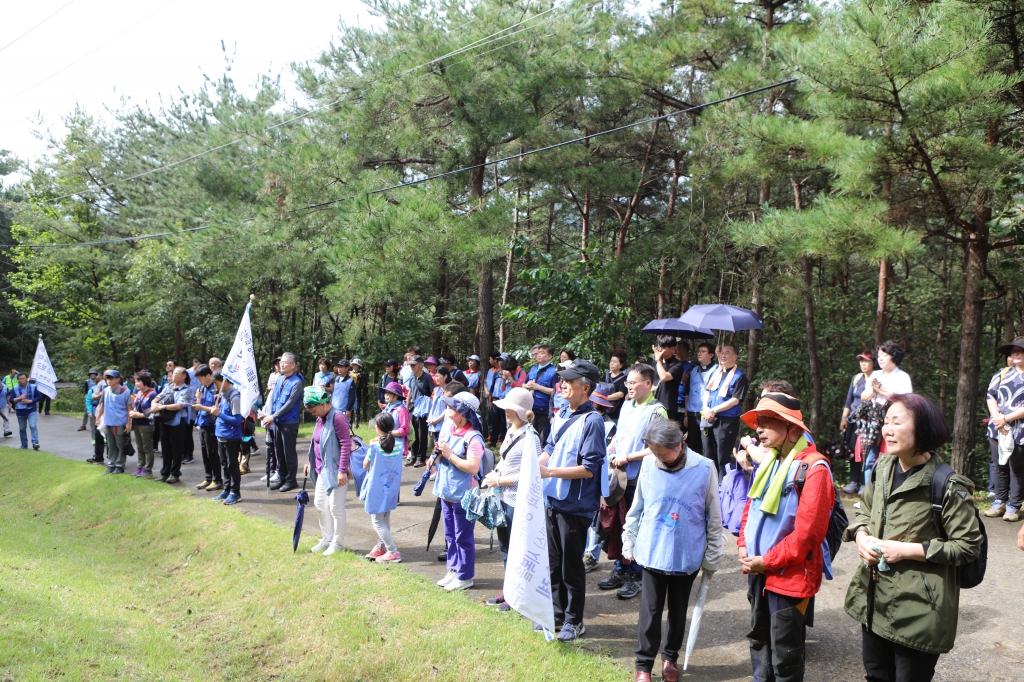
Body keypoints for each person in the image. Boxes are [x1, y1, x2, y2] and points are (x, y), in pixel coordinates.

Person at [844, 394, 984, 682]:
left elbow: (968, 546)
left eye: (897, 422)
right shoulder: (883, 467)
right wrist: (860, 536)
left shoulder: (946, 484)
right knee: (876, 676)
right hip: (875, 600)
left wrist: (906, 550)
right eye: (885, 422)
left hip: (919, 611)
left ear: (923, 429)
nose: (888, 429)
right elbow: (866, 511)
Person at [737, 390, 835, 682]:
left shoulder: (814, 469)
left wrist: (766, 561)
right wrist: (743, 545)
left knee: (785, 657)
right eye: (758, 421)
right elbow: (750, 508)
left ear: (792, 427)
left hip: (789, 578)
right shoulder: (770, 461)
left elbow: (807, 536)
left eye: (768, 421)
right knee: (759, 644)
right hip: (758, 571)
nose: (759, 428)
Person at [623, 416, 722, 682]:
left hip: (686, 553)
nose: (657, 457)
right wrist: (629, 539)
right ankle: (643, 665)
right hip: (653, 550)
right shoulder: (647, 464)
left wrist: (712, 559)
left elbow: (714, 517)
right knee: (650, 611)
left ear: (679, 445)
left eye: (661, 453)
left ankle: (670, 658)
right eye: (653, 452)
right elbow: (637, 508)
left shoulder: (704, 468)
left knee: (678, 611)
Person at [538, 359, 608, 642]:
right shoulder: (562, 412)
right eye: (562, 379)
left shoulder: (593, 421)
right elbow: (551, 447)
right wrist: (536, 465)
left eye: (569, 380)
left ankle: (574, 621)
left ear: (586, 387)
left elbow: (590, 468)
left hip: (575, 506)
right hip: (553, 500)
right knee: (553, 563)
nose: (563, 384)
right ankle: (556, 614)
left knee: (571, 567)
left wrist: (548, 471)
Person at [603, 363, 669, 599]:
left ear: (648, 384)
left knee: (636, 526)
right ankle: (621, 569)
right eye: (627, 382)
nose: (628, 386)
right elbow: (620, 436)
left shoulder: (657, 411)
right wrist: (609, 449)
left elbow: (658, 448)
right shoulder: (627, 405)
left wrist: (628, 457)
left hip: (640, 479)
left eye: (633, 382)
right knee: (617, 526)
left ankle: (637, 576)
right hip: (619, 476)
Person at [482, 387, 540, 609]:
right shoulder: (511, 430)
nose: (506, 411)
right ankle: (509, 591)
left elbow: (530, 473)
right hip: (504, 498)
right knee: (505, 547)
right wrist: (497, 473)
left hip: (519, 502)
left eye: (510, 407)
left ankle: (520, 595)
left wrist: (500, 481)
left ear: (521, 410)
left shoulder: (531, 437)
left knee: (519, 551)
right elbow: (506, 461)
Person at [433, 391, 486, 592]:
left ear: (463, 413)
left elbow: (472, 467)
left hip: (463, 495)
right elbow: (442, 459)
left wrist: (450, 455)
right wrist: (436, 456)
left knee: (463, 536)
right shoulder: (450, 431)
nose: (447, 410)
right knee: (450, 535)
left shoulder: (473, 437)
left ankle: (465, 576)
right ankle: (453, 569)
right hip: (446, 491)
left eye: (452, 407)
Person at [301, 386, 352, 553]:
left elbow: (345, 445)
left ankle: (338, 543)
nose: (312, 413)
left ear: (323, 404)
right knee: (320, 504)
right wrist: (310, 462)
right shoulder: (320, 418)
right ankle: (327, 538)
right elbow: (317, 443)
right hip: (322, 469)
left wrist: (342, 470)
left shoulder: (338, 418)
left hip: (336, 471)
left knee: (336, 508)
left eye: (313, 409)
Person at [860, 340, 913, 486]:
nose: (880, 358)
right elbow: (864, 396)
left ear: (894, 357)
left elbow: (906, 400)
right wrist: (873, 389)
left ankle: (888, 492)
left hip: (894, 422)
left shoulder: (903, 377)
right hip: (873, 420)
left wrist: (880, 391)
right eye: (879, 355)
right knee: (870, 458)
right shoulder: (876, 374)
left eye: (884, 355)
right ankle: (868, 496)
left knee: (891, 457)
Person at [983, 337, 1024, 522]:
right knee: (999, 467)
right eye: (1012, 351)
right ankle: (999, 501)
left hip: (1019, 429)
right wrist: (997, 417)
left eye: (1019, 350)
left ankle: (1014, 506)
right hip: (998, 427)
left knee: (1017, 468)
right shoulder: (1003, 373)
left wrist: (1006, 418)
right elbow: (991, 395)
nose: (1014, 354)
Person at [361, 411, 404, 563]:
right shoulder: (399, 445)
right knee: (385, 519)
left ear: (378, 427)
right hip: (391, 488)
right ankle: (381, 546)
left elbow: (365, 465)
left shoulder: (374, 445)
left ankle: (392, 551)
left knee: (377, 522)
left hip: (377, 489)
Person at [701, 344, 748, 475]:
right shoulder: (716, 373)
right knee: (708, 455)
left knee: (722, 457)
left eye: (727, 353)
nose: (723, 355)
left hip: (726, 421)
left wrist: (714, 410)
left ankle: (724, 488)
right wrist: (706, 409)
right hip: (708, 418)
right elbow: (707, 392)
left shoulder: (740, 377)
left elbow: (735, 400)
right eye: (722, 353)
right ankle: (710, 487)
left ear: (735, 357)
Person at [262, 352, 303, 493]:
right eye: (281, 362)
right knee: (279, 451)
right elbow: (274, 399)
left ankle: (291, 480)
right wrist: (268, 415)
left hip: (289, 423)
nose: (281, 364)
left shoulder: (296, 382)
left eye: (285, 362)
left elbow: (289, 404)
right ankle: (282, 478)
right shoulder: (279, 379)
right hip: (277, 421)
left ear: (293, 365)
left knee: (288, 452)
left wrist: (273, 417)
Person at [840, 351, 878, 494]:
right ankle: (854, 482)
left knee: (869, 453)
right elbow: (848, 401)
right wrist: (844, 419)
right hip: (854, 421)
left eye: (866, 361)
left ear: (873, 363)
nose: (863, 363)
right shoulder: (856, 379)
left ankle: (865, 484)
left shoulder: (877, 378)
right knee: (853, 452)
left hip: (870, 422)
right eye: (861, 361)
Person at [150, 367, 193, 484]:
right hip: (164, 421)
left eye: (176, 374)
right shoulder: (168, 386)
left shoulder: (187, 390)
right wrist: (153, 403)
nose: (173, 376)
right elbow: (157, 397)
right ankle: (164, 473)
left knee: (176, 449)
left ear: (184, 376)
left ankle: (175, 474)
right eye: (172, 374)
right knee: (165, 449)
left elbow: (180, 405)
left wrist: (162, 407)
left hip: (177, 423)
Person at [209, 372, 245, 505]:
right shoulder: (223, 396)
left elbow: (237, 420)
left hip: (231, 437)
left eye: (216, 383)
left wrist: (219, 414)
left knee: (232, 466)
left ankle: (235, 492)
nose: (215, 386)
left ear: (225, 381)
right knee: (224, 465)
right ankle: (227, 489)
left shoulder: (234, 397)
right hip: (221, 436)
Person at [192, 365, 223, 492]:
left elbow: (213, 406)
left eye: (201, 379)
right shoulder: (202, 388)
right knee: (205, 453)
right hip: (202, 423)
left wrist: (199, 403)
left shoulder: (215, 389)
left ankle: (217, 479)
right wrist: (197, 400)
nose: (199, 381)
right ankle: (208, 477)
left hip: (211, 425)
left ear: (208, 376)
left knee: (212, 453)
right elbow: (199, 404)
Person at [684, 343, 716, 455]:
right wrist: (686, 414)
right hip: (692, 413)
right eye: (698, 351)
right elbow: (688, 393)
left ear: (711, 354)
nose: (699, 353)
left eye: (703, 351)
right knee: (693, 446)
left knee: (708, 446)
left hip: (707, 414)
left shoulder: (717, 370)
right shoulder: (693, 371)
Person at [525, 344, 559, 444]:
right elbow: (523, 384)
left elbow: (556, 391)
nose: (539, 355)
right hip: (531, 409)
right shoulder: (533, 369)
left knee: (544, 437)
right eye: (538, 353)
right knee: (531, 436)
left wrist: (538, 387)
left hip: (545, 409)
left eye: (542, 353)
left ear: (550, 356)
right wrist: (528, 385)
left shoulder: (554, 371)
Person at [408, 356, 435, 467]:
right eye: (411, 364)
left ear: (421, 365)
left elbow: (433, 392)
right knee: (413, 433)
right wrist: (407, 406)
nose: (412, 367)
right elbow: (410, 391)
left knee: (422, 433)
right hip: (413, 407)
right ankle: (413, 457)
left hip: (423, 409)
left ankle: (421, 458)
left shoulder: (427, 377)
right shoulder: (412, 377)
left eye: (414, 364)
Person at [128, 373, 157, 478]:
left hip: (146, 425)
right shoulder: (139, 393)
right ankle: (140, 466)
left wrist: (138, 415)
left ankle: (148, 468)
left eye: (138, 381)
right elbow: (136, 406)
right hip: (136, 424)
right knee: (140, 447)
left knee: (147, 447)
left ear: (145, 382)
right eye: (135, 381)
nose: (136, 384)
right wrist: (133, 412)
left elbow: (152, 414)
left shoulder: (152, 394)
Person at [651, 336, 684, 422]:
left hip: (668, 406)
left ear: (673, 349)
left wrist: (658, 360)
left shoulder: (677, 365)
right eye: (659, 347)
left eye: (663, 347)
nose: (660, 350)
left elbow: (664, 377)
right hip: (653, 403)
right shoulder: (655, 362)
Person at [10, 373, 42, 450]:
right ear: (18, 379)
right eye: (20, 379)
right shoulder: (15, 388)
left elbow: (39, 397)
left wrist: (29, 401)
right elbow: (11, 400)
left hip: (31, 410)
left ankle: (35, 443)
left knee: (33, 426)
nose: (22, 380)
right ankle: (24, 444)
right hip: (20, 411)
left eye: (23, 378)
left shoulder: (33, 387)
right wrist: (19, 398)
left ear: (27, 378)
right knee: (22, 428)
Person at [381, 382, 412, 458]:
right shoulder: (386, 409)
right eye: (386, 393)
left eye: (389, 393)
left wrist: (388, 433)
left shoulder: (401, 410)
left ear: (396, 396)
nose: (386, 395)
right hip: (385, 444)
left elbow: (404, 430)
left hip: (397, 446)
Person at [484, 353, 505, 446]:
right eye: (500, 360)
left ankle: (504, 440)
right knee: (494, 421)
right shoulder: (494, 372)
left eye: (502, 360)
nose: (500, 362)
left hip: (505, 400)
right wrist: (490, 400)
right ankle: (493, 440)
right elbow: (491, 387)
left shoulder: (509, 373)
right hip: (495, 399)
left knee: (504, 422)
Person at [605, 349, 628, 421]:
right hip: (604, 410)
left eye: (614, 362)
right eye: (611, 361)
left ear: (621, 365)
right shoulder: (606, 375)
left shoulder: (624, 378)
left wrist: (604, 398)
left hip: (616, 412)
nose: (611, 363)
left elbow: (621, 394)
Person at [350, 358, 365, 427]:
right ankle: (349, 422)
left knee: (357, 408)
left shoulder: (361, 374)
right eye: (353, 364)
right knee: (350, 407)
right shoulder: (349, 373)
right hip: (350, 393)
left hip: (357, 393)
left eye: (355, 365)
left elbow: (361, 385)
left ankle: (356, 423)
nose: (354, 366)